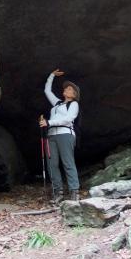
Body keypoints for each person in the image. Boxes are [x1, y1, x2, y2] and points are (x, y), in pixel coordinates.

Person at [39, 68, 80, 203]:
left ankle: (74, 192)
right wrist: (51, 75)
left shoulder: (74, 104)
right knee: (52, 164)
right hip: (51, 136)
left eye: (69, 89)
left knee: (68, 163)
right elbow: (47, 91)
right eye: (66, 88)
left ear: (73, 95)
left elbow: (68, 119)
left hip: (65, 134)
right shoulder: (56, 104)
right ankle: (58, 193)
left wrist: (49, 122)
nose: (66, 89)